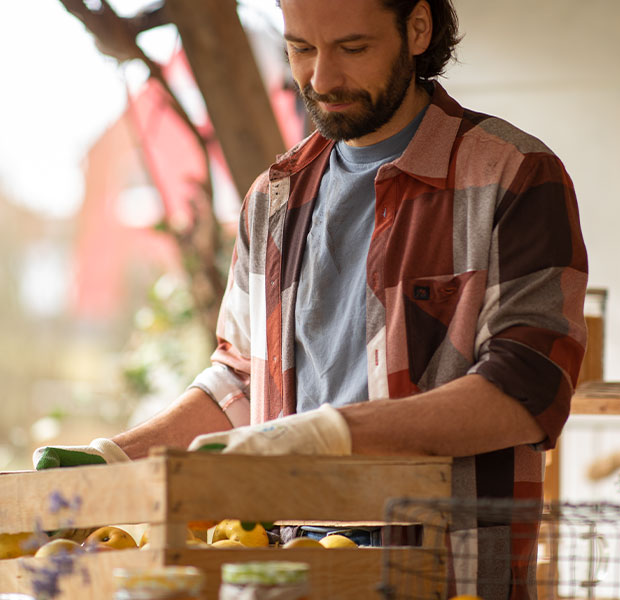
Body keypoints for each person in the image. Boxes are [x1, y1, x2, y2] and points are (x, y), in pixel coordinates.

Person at [36, 0, 587, 595]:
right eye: (301, 49)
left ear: (418, 29)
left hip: (447, 577)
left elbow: (526, 390)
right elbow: (241, 381)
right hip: (283, 570)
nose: (321, 80)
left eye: (353, 49)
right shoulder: (273, 198)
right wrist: (118, 457)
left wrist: (327, 435)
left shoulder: (516, 175)